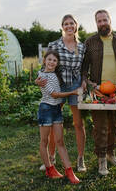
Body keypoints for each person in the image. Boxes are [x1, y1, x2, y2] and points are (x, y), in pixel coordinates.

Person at [36, 14, 87, 172]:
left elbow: (84, 68)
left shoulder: (82, 46)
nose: (69, 26)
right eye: (66, 24)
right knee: (53, 123)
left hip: (75, 86)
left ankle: (80, 158)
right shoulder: (55, 44)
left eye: (72, 23)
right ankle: (51, 158)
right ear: (62, 26)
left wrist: (85, 79)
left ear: (76, 26)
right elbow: (47, 64)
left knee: (78, 123)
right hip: (57, 85)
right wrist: (39, 78)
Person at [81, 9, 116, 175]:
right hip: (98, 91)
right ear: (96, 24)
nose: (102, 23)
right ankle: (101, 160)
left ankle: (111, 154)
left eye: (104, 20)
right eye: (99, 21)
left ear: (110, 20)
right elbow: (84, 68)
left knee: (113, 126)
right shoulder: (90, 42)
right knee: (100, 126)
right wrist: (88, 83)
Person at [37, 50, 80, 184]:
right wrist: (73, 92)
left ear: (57, 63)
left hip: (56, 109)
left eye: (54, 60)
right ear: (44, 60)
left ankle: (69, 171)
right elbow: (54, 94)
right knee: (44, 141)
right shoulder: (42, 76)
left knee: (60, 141)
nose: (52, 62)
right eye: (49, 59)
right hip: (46, 109)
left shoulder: (55, 73)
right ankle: (49, 169)